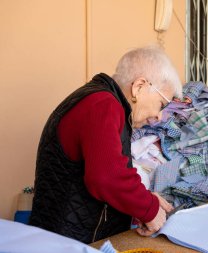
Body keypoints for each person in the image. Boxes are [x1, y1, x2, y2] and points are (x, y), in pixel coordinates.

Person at [29, 46, 183, 243]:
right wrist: (148, 208)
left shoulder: (101, 101)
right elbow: (106, 177)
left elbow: (108, 170)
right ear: (139, 87)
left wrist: (143, 199)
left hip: (67, 234)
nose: (159, 116)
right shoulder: (103, 104)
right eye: (162, 104)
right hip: (67, 241)